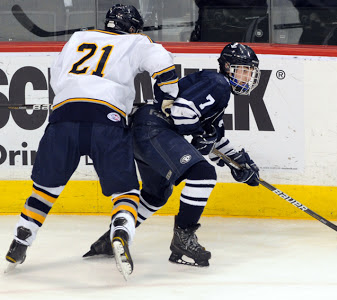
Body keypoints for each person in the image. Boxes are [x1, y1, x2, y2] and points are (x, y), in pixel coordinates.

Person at [4, 4, 179, 280]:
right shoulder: (136, 41)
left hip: (64, 117)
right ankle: (120, 230)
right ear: (132, 27)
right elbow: (164, 66)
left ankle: (22, 236)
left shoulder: (77, 38)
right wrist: (168, 98)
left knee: (45, 189)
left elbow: (56, 75)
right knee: (126, 193)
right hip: (106, 120)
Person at [84, 42, 261, 267]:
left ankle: (115, 237)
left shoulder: (218, 93)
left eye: (249, 72)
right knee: (203, 174)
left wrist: (239, 164)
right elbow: (182, 113)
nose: (247, 77)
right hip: (153, 128)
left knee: (156, 194)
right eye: (242, 70)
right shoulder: (218, 84)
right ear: (227, 67)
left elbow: (214, 138)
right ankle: (183, 238)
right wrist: (200, 135)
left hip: (147, 129)